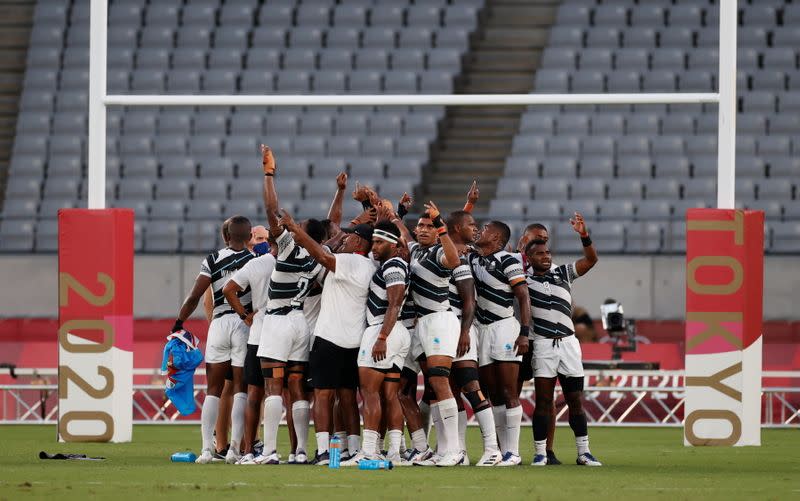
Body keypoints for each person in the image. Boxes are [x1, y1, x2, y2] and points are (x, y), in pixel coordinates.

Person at [278, 212, 376, 466]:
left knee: (323, 395)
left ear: (359, 243)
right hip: (355, 341)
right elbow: (326, 253)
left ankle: (323, 451)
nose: (345, 240)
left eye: (350, 237)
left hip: (329, 338)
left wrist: (295, 231)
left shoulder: (350, 262)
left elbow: (321, 255)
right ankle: (352, 450)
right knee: (348, 398)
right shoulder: (369, 266)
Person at [255, 145, 323, 465]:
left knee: (273, 385)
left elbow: (271, 210)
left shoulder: (289, 249)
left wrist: (269, 174)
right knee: (297, 387)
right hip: (301, 323)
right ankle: (300, 451)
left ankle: (269, 451)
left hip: (279, 321)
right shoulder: (319, 258)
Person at [172, 216, 254, 464]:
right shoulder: (255, 262)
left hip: (218, 324)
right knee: (240, 390)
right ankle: (234, 450)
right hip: (244, 324)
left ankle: (207, 450)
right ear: (250, 237)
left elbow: (195, 295)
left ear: (226, 236)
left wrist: (179, 322)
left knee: (214, 390)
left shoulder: (212, 260)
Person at [525, 212, 601, 467]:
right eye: (539, 254)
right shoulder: (522, 281)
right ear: (529, 258)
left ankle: (584, 452)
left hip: (568, 343)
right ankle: (540, 453)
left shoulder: (563, 273)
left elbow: (591, 260)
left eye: (547, 253)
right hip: (543, 345)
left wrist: (584, 235)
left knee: (575, 400)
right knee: (544, 402)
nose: (545, 257)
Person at [392, 201, 464, 467]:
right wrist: (392, 210)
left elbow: (454, 260)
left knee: (440, 382)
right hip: (422, 324)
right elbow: (402, 231)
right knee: (433, 387)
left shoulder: (437, 253)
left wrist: (441, 226)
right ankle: (440, 449)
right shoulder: (417, 251)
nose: (422, 230)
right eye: (420, 225)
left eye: (428, 226)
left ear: (437, 232)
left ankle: (455, 450)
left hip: (439, 321)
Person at [342, 220, 411, 465]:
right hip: (398, 332)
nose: (374, 246)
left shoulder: (392, 266)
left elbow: (394, 303)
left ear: (393, 245)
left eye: (380, 242)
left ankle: (369, 451)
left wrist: (382, 337)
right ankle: (393, 452)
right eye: (374, 241)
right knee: (390, 395)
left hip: (383, 330)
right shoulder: (395, 263)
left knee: (370, 393)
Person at [467, 220, 531, 466]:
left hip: (505, 327)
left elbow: (522, 296)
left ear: (496, 238)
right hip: (482, 330)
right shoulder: (474, 258)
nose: (479, 231)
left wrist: (524, 332)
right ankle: (504, 450)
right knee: (493, 393)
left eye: (484, 229)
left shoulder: (509, 260)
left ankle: (513, 452)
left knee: (509, 391)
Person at [446, 210, 502, 466]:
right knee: (451, 391)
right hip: (442, 330)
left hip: (460, 328)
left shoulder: (462, 259)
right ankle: (459, 451)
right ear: (457, 228)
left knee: (471, 387)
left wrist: (465, 331)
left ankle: (492, 449)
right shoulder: (446, 252)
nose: (476, 228)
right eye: (471, 224)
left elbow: (470, 301)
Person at [222, 235, 276, 464]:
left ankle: (247, 450)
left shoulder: (257, 263)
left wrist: (244, 315)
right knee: (286, 394)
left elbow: (228, 289)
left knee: (253, 393)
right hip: (287, 331)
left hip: (258, 331)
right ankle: (292, 450)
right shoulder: (298, 260)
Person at [514, 222, 562, 465]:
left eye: (544, 239)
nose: (540, 242)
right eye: (534, 239)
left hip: (542, 338)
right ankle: (508, 449)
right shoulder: (511, 262)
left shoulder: (550, 268)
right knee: (511, 393)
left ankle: (547, 449)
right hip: (518, 337)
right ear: (523, 240)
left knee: (547, 398)